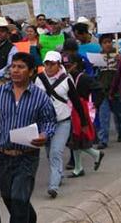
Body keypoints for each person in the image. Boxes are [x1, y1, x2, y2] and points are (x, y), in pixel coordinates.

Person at [0, 52, 57, 223]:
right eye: (13, 66)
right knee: (9, 197)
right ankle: (31, 218)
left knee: (19, 199)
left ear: (30, 72)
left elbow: (50, 122)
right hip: (3, 156)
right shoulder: (0, 92)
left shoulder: (40, 97)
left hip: (27, 157)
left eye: (21, 67)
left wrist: (44, 135)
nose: (15, 70)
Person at [35, 51, 86, 198]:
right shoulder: (38, 79)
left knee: (56, 152)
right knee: (49, 152)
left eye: (52, 64)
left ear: (59, 64)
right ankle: (59, 173)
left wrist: (83, 121)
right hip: (44, 123)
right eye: (47, 63)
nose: (49, 67)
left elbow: (76, 101)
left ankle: (54, 185)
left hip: (63, 121)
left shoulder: (66, 80)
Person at [63, 54, 104, 178]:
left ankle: (87, 161)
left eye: (68, 65)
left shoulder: (84, 78)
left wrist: (95, 104)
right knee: (74, 139)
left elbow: (99, 89)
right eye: (64, 65)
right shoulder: (66, 77)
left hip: (81, 110)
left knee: (77, 137)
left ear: (75, 65)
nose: (66, 68)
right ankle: (81, 165)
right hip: (70, 110)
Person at [95, 34, 121, 149]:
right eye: (104, 42)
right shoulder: (98, 57)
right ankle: (103, 139)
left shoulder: (118, 55)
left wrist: (120, 61)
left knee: (119, 114)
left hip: (116, 90)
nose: (107, 44)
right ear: (101, 44)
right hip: (103, 91)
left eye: (109, 42)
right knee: (104, 116)